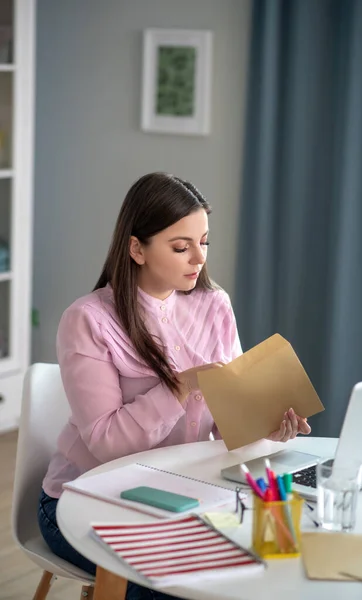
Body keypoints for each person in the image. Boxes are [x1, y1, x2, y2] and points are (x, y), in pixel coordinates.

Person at [38, 172, 311, 599]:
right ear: (136, 249)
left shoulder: (214, 304)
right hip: (86, 503)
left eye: (204, 242)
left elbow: (227, 425)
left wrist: (265, 427)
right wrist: (179, 388)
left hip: (183, 494)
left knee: (263, 566)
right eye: (181, 247)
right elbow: (107, 444)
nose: (198, 259)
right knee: (175, 589)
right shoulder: (88, 320)